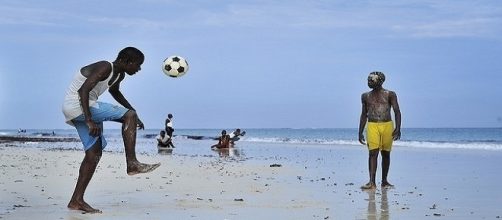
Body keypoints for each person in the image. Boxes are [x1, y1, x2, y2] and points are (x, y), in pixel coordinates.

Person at [62, 47, 160, 213]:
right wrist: (89, 120)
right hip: (80, 105)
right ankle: (132, 163)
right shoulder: (105, 66)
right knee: (129, 115)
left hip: (80, 108)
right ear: (125, 61)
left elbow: (116, 93)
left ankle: (76, 200)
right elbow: (83, 90)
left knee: (93, 155)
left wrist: (135, 114)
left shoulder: (119, 75)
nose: (138, 69)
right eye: (137, 64)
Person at [358, 71, 401, 190]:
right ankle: (372, 182)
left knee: (386, 154)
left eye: (372, 80)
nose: (369, 82)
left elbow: (397, 111)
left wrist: (398, 128)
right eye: (368, 80)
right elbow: (363, 115)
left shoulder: (390, 94)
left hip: (387, 125)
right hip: (372, 125)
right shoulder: (365, 96)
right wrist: (360, 131)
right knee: (373, 153)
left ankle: (384, 181)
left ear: (380, 81)